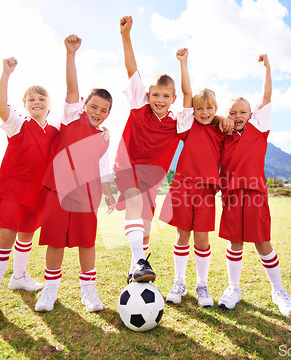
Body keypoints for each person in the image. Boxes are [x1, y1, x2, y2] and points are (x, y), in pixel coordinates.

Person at [34, 35, 116, 313]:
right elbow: (72, 86)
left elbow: (103, 168)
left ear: (107, 115)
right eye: (94, 106)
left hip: (87, 194)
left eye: (104, 110)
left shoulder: (104, 136)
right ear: (84, 105)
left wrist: (108, 194)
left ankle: (89, 292)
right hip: (59, 189)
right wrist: (71, 54)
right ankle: (50, 291)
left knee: (86, 242)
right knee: (55, 241)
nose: (98, 112)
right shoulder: (71, 117)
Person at [217, 54, 291, 317]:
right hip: (231, 194)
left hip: (254, 193)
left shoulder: (259, 127)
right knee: (235, 242)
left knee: (263, 242)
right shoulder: (223, 135)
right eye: (233, 113)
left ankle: (278, 291)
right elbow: (202, 114)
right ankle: (233, 289)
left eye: (243, 112)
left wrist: (268, 69)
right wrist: (221, 118)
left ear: (252, 115)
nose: (238, 116)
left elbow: (267, 96)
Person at [114, 16, 194, 284]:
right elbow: (131, 68)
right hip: (126, 165)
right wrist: (126, 35)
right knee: (134, 203)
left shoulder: (177, 122)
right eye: (156, 94)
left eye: (165, 96)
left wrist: (183, 64)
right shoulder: (139, 105)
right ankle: (138, 262)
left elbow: (188, 97)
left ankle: (136, 265)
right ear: (148, 94)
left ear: (172, 99)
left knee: (145, 223)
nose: (159, 100)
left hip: (152, 178)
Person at [0, 58, 59, 323]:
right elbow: (0, 106)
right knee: (5, 239)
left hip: (39, 194)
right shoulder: (18, 123)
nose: (36, 102)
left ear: (49, 104)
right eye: (31, 99)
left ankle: (20, 277)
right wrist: (5, 74)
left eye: (41, 99)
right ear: (25, 105)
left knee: (26, 236)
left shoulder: (55, 131)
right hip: (14, 190)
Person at [159, 48, 232, 307]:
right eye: (200, 108)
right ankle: (179, 282)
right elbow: (188, 94)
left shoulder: (220, 130)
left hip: (207, 191)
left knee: (202, 238)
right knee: (182, 236)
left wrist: (222, 118)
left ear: (215, 109)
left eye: (210, 108)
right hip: (182, 187)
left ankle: (202, 285)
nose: (204, 112)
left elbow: (233, 124)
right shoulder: (187, 125)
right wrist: (183, 63)